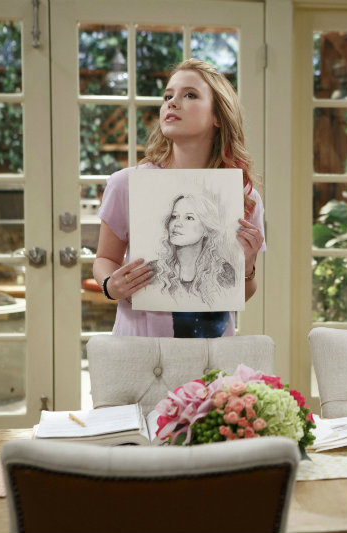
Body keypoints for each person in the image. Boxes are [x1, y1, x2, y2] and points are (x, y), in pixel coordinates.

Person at [93, 59, 265, 338]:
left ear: (218, 116)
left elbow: (242, 294)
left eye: (190, 95)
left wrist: (246, 266)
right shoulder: (125, 184)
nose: (172, 103)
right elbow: (104, 259)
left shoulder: (242, 196)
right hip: (138, 346)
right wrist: (110, 286)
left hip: (211, 352)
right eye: (167, 96)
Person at [150, 192, 240, 308]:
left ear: (206, 229)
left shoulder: (223, 272)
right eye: (174, 216)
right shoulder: (154, 271)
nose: (177, 224)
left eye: (189, 218)